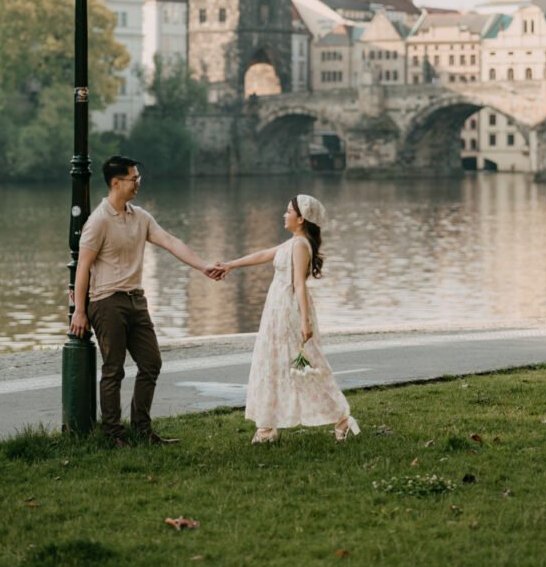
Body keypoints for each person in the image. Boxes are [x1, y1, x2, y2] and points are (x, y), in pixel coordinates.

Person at [69, 155, 221, 447]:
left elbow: (171, 241)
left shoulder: (140, 217)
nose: (138, 183)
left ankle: (142, 430)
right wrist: (79, 310)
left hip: (136, 300)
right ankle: (113, 435)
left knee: (151, 362)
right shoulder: (98, 222)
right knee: (113, 369)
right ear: (116, 182)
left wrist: (202, 266)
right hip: (107, 301)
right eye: (133, 179)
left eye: (138, 178)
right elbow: (83, 267)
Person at [215, 194, 360, 444]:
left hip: (289, 312)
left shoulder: (301, 246)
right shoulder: (291, 243)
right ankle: (267, 427)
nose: (284, 215)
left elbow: (299, 286)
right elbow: (262, 254)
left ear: (301, 219)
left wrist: (305, 322)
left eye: (288, 211)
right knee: (272, 362)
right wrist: (230, 265)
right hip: (276, 310)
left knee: (306, 366)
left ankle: (343, 420)